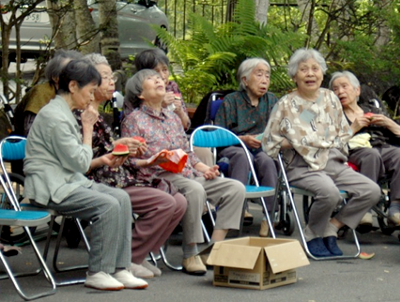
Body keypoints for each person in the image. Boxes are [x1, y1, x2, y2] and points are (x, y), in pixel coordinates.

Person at [24, 59, 148, 290]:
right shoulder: (54, 116)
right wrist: (88, 128)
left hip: (68, 181)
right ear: (73, 87)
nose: (92, 98)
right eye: (90, 91)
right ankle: (98, 272)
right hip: (51, 188)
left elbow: (75, 163)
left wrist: (102, 157)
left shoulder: (63, 112)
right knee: (108, 205)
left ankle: (120, 268)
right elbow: (81, 163)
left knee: (121, 198)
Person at [121, 69, 245, 275]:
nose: (159, 81)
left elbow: (188, 152)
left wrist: (206, 168)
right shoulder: (134, 120)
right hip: (158, 176)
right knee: (195, 189)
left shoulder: (172, 117)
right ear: (141, 94)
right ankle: (190, 252)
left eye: (160, 78)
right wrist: (153, 160)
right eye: (151, 80)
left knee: (235, 188)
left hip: (186, 174)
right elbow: (130, 160)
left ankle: (213, 249)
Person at [262, 48, 381, 258]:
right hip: (302, 166)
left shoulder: (330, 98)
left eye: (315, 69)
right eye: (303, 69)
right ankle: (312, 235)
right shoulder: (285, 104)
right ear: (294, 76)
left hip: (333, 162)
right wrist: (294, 143)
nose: (310, 74)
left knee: (371, 191)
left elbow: (342, 133)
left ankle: (331, 228)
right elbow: (269, 141)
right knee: (330, 192)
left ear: (322, 74)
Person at [78, 54, 187, 278]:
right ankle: (127, 258)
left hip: (121, 174)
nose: (112, 82)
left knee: (179, 201)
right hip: (103, 179)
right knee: (166, 201)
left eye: (111, 77)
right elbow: (84, 159)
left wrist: (123, 147)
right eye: (105, 77)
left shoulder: (98, 115)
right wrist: (126, 152)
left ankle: (142, 254)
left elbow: (108, 149)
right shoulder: (82, 116)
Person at [329, 71, 400, 226]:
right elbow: (331, 143)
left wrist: (388, 123)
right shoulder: (334, 115)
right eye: (335, 89)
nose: (340, 91)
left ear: (357, 90)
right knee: (371, 155)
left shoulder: (372, 110)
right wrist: (353, 128)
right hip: (352, 151)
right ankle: (364, 209)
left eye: (344, 86)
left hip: (381, 147)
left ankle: (395, 207)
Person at [214, 58, 279, 237]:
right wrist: (243, 139)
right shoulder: (231, 100)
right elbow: (219, 133)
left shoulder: (272, 100)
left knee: (266, 161)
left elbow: (280, 129)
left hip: (261, 148)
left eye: (267, 75)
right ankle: (237, 211)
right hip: (234, 146)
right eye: (259, 74)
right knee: (243, 156)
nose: (264, 79)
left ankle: (269, 217)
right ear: (245, 80)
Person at [131, 49, 191, 129]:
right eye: (156, 72)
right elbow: (133, 125)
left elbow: (186, 126)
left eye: (165, 70)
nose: (162, 76)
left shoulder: (172, 87)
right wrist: (159, 104)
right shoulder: (137, 91)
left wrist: (179, 111)